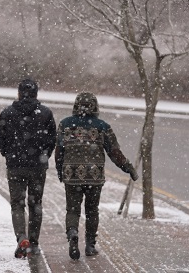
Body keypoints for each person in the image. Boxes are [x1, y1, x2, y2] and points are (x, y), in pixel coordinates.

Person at [55, 92, 138, 260]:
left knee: (72, 210)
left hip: (72, 175)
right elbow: (115, 153)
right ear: (95, 107)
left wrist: (60, 171)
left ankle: (72, 234)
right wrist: (129, 168)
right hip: (94, 175)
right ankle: (90, 245)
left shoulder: (65, 125)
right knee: (92, 210)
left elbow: (59, 152)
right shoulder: (102, 126)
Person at [0, 78, 57, 258]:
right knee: (35, 204)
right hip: (37, 167)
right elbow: (52, 139)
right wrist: (44, 156)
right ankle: (34, 244)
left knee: (17, 204)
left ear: (19, 93)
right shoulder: (45, 113)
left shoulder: (7, 113)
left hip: (15, 166)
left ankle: (22, 237)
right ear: (36, 94)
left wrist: (8, 153)